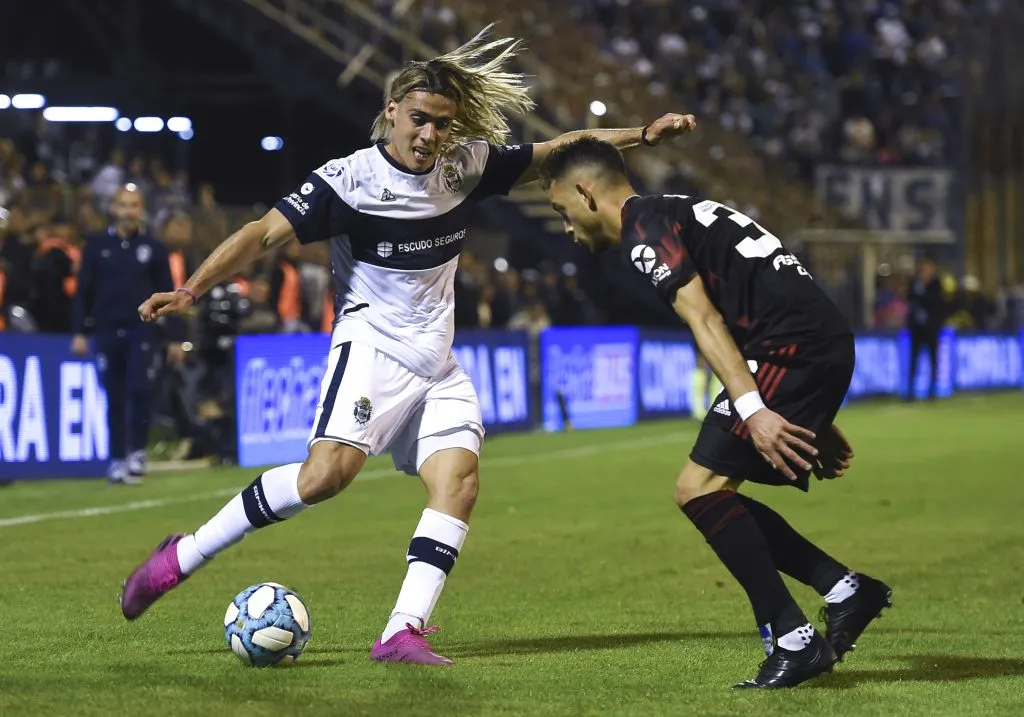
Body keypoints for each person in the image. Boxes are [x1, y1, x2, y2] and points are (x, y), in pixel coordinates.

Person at [120, 25, 696, 666]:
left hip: (437, 364)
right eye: (419, 119)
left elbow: (561, 149)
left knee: (460, 482)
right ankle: (184, 554)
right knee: (322, 480)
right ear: (391, 111)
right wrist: (192, 290)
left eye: (442, 124)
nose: (429, 135)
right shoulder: (348, 181)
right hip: (371, 349)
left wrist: (640, 137)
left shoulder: (463, 166)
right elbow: (261, 235)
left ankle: (402, 630)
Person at [537, 138, 891, 689]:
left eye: (562, 210)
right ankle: (844, 590)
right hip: (804, 346)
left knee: (697, 488)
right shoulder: (675, 210)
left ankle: (797, 637)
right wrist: (811, 409)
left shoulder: (645, 231)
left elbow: (705, 319)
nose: (565, 227)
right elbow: (757, 294)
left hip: (788, 350)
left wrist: (757, 410)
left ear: (586, 192)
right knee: (712, 490)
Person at [72, 185, 185, 484]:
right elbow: (84, 290)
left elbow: (169, 293)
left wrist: (175, 336)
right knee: (114, 395)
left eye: (134, 205)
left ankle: (137, 453)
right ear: (113, 208)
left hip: (142, 330)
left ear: (141, 209)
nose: (128, 211)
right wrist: (80, 331)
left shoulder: (154, 248)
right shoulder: (96, 246)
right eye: (123, 204)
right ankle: (117, 457)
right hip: (107, 329)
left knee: (138, 391)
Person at [905, 257, 945, 400]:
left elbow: (938, 304)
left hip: (931, 328)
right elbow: (910, 300)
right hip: (916, 328)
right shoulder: (915, 283)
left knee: (933, 359)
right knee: (914, 359)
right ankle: (910, 391)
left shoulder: (936, 284)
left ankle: (932, 391)